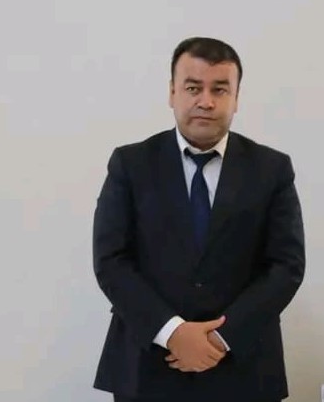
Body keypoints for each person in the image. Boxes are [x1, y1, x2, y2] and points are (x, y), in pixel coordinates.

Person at [92, 37, 306, 402]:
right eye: (193, 88)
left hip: (243, 368)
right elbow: (111, 260)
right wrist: (173, 332)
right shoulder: (131, 164)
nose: (206, 101)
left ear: (236, 98)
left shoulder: (271, 169)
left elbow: (286, 266)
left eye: (219, 89)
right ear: (172, 92)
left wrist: (221, 338)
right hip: (148, 367)